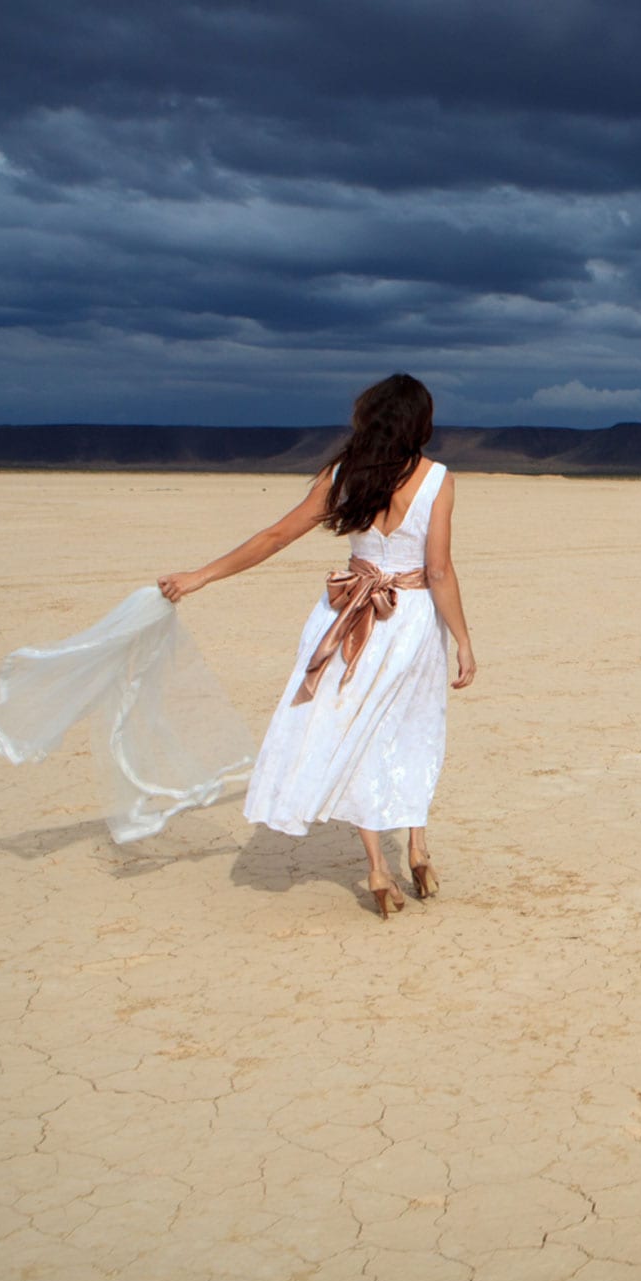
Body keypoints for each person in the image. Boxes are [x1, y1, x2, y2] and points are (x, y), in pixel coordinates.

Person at [157, 373, 476, 918]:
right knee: (411, 727)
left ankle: (377, 866)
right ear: (420, 423)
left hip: (347, 614)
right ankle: (417, 846)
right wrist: (464, 641)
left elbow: (275, 536)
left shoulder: (344, 473)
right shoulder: (436, 477)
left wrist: (200, 576)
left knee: (354, 730)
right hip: (410, 618)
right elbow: (438, 569)